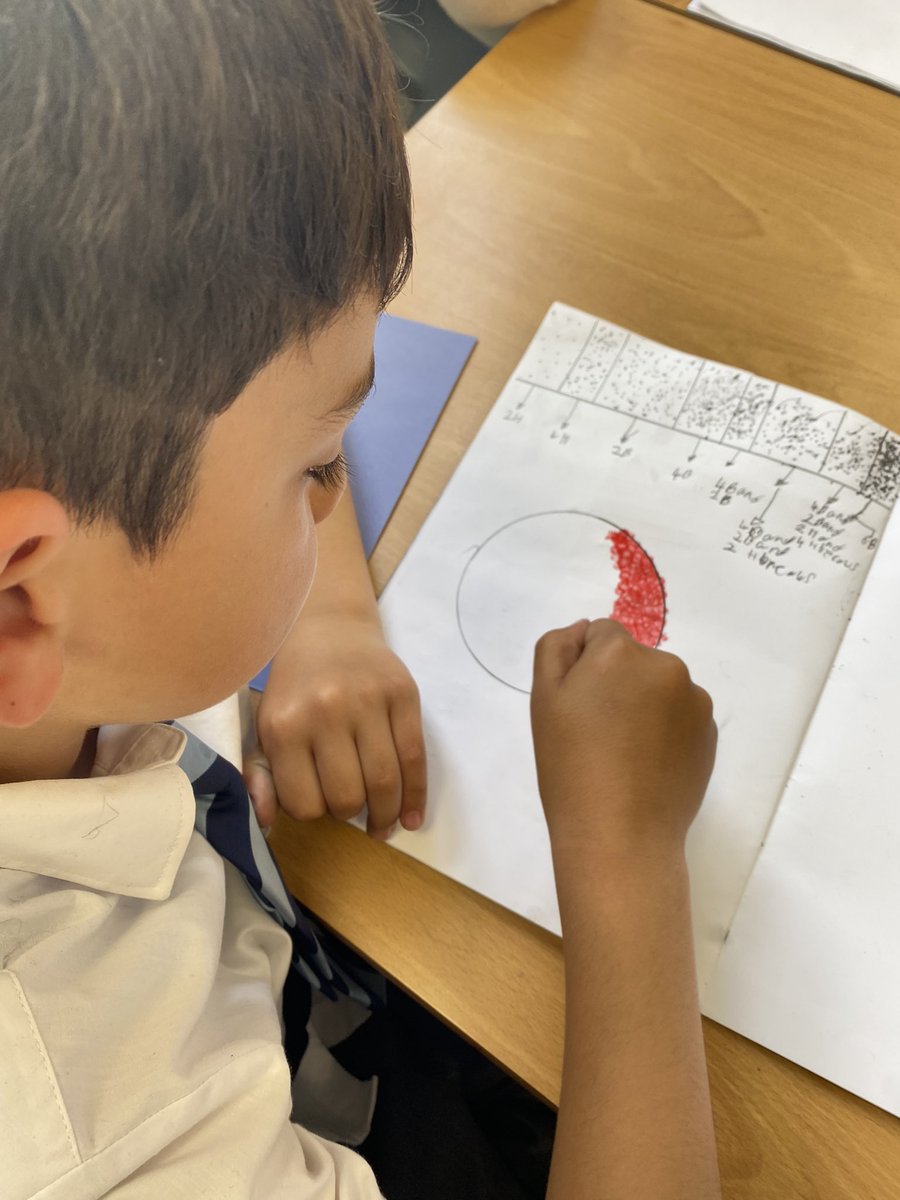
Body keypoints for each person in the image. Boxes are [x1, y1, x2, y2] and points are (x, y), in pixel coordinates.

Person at [0, 2, 721, 1198]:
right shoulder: (105, 1128)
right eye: (318, 465)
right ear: (22, 609)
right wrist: (627, 861)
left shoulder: (66, 607)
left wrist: (329, 617)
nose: (335, 491)